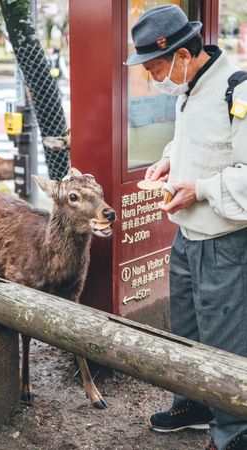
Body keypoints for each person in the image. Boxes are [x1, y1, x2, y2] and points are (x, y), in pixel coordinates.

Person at [126, 5, 247, 450]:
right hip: (187, 235)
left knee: (225, 341)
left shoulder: (237, 91)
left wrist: (201, 189)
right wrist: (168, 160)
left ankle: (234, 432)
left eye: (156, 67)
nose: (154, 77)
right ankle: (194, 404)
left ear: (182, 53)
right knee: (189, 328)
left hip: (224, 241)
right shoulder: (190, 88)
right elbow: (194, 140)